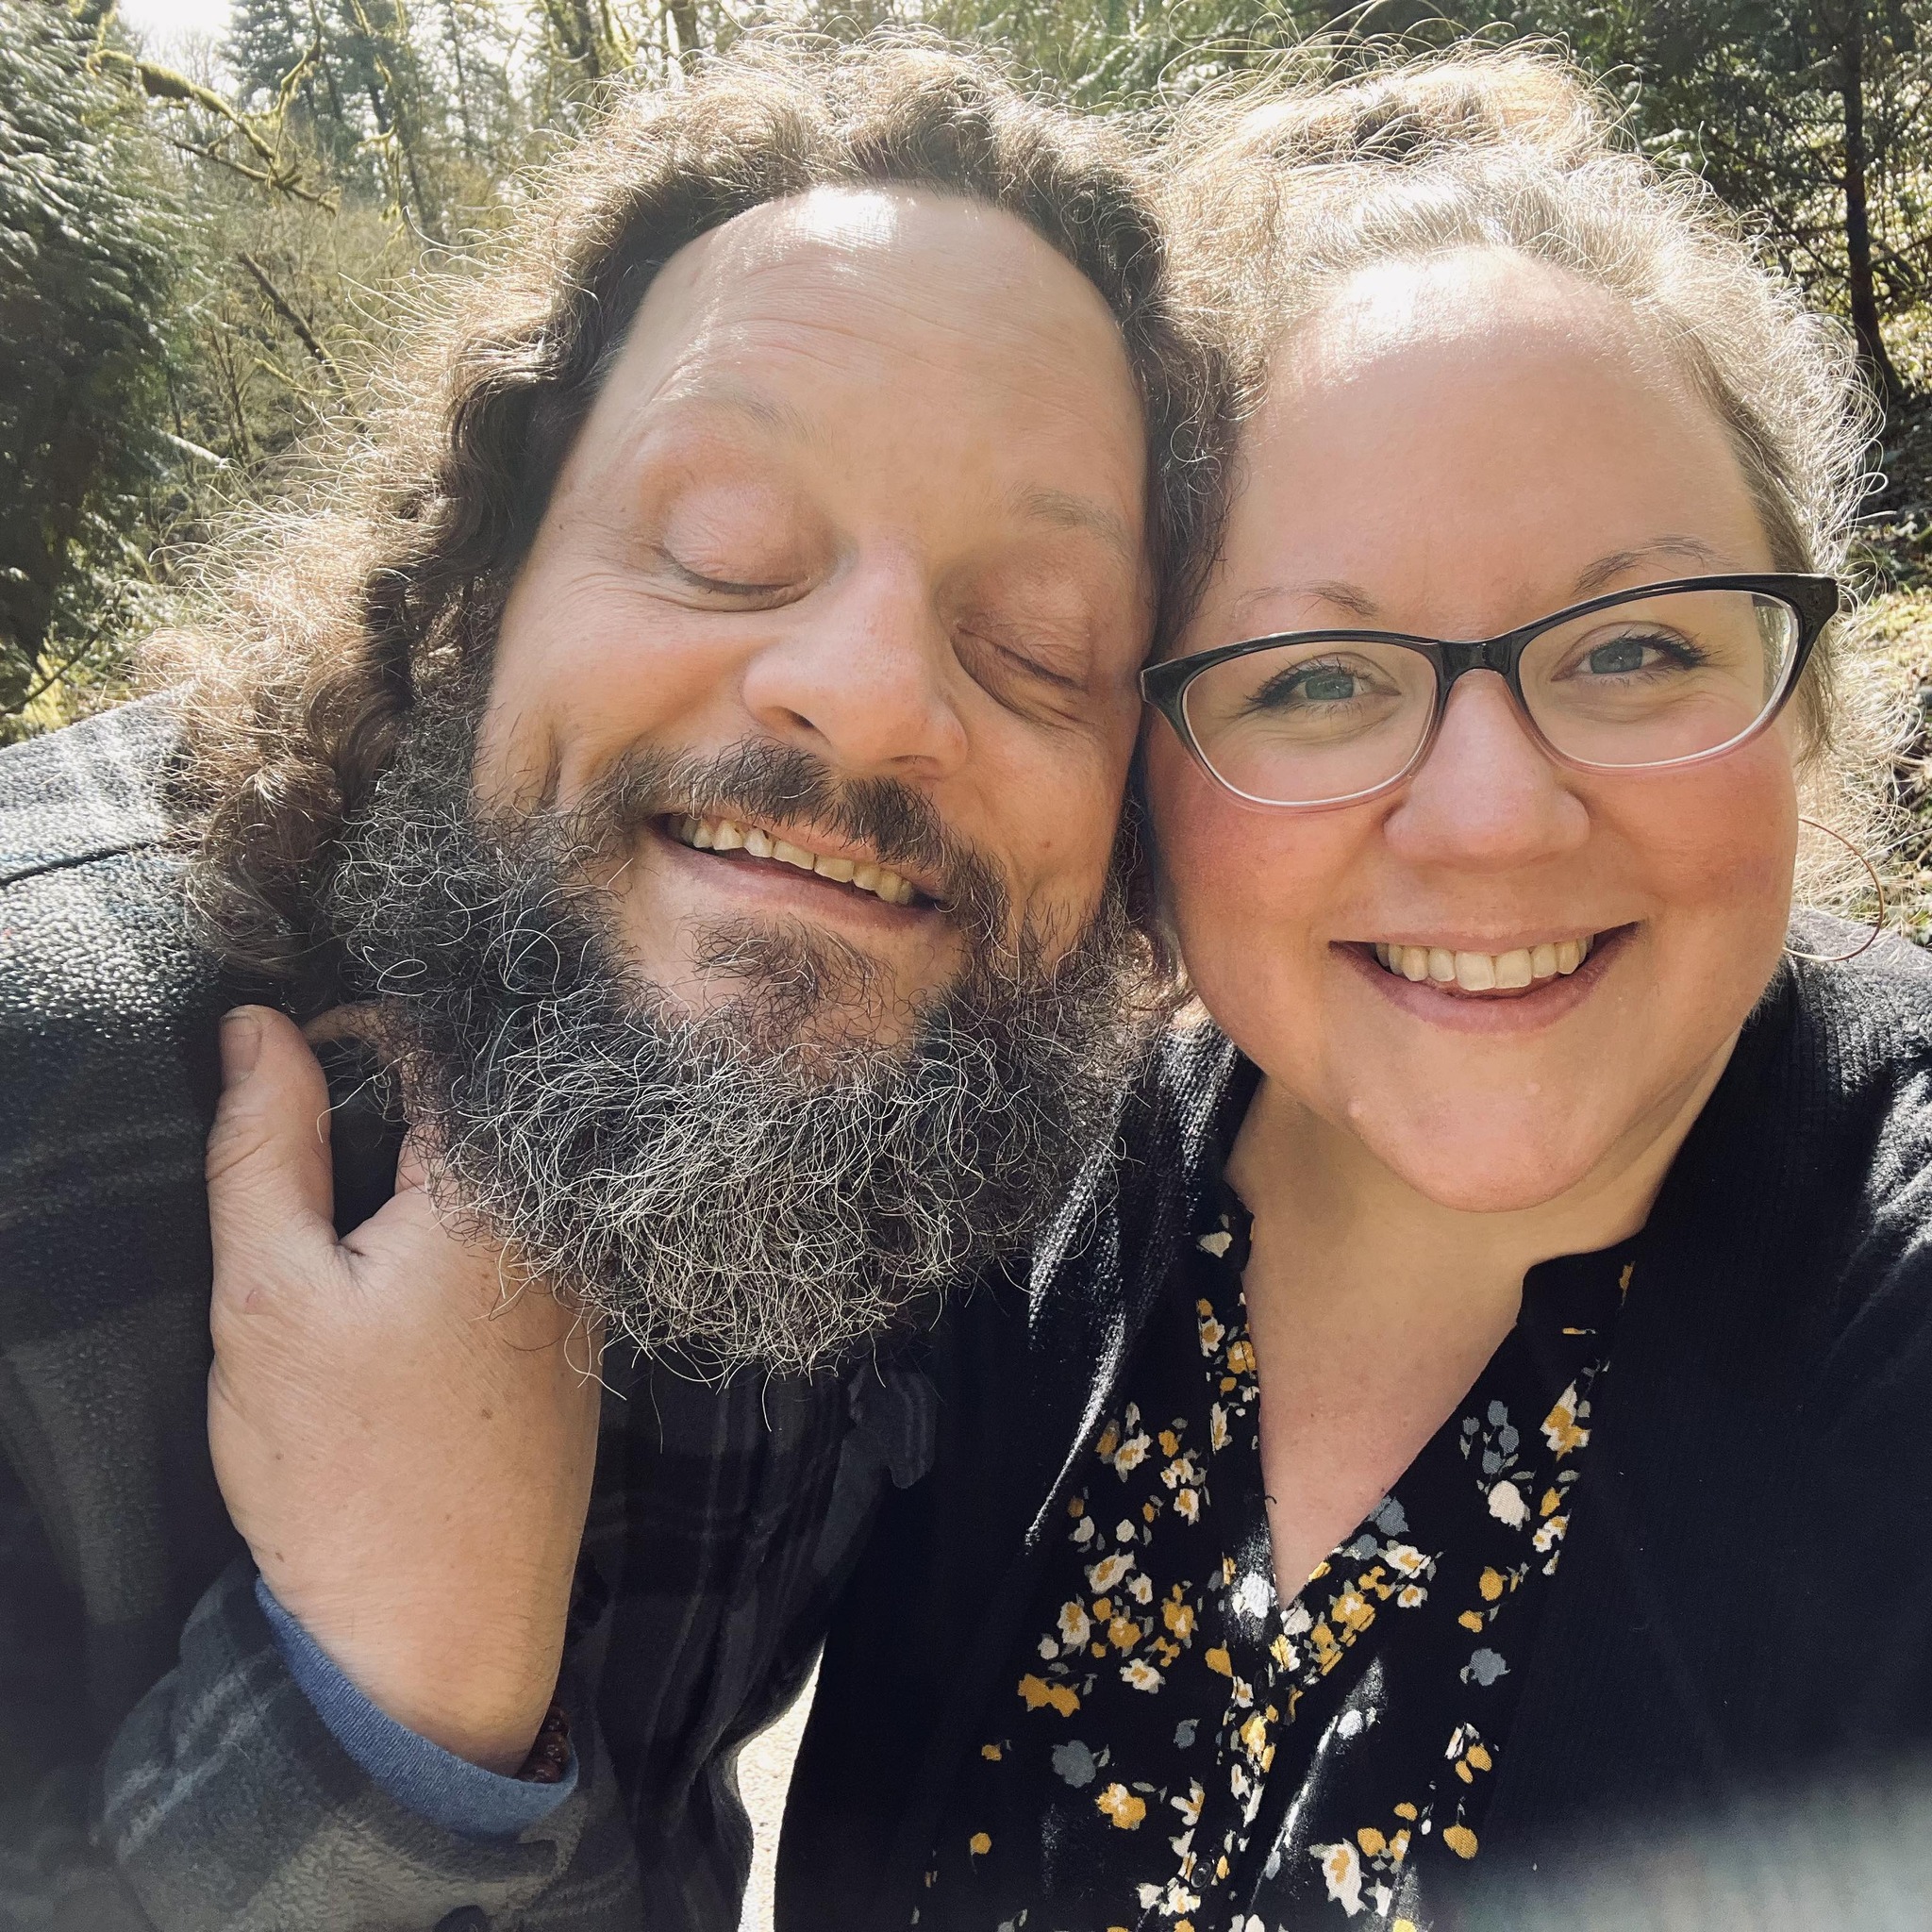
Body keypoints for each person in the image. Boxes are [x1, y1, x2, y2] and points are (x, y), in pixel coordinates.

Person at [0, 39, 1223, 1929]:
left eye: (1042, 648)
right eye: (724, 544)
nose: (878, 691)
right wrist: (390, 1719)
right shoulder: (34, 1088)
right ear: (480, 582)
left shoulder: (951, 1095)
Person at [779, 49, 1932, 1932]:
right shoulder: (992, 1222)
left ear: (1793, 693)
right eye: (1314, 677)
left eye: (1635, 645)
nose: (1487, 814)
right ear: (1142, 773)